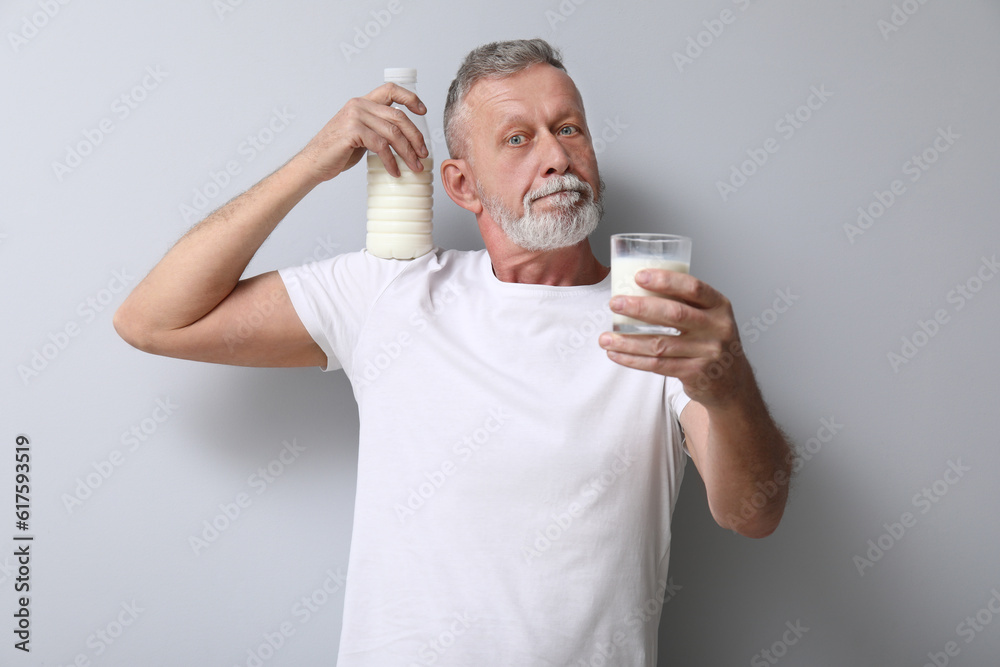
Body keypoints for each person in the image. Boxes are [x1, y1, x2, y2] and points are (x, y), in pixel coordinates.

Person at [115, 39, 792, 666]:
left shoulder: (656, 315)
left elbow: (752, 513)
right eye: (518, 139)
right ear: (463, 185)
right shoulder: (391, 291)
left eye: (569, 128)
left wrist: (728, 386)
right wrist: (313, 162)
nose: (555, 156)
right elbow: (153, 320)